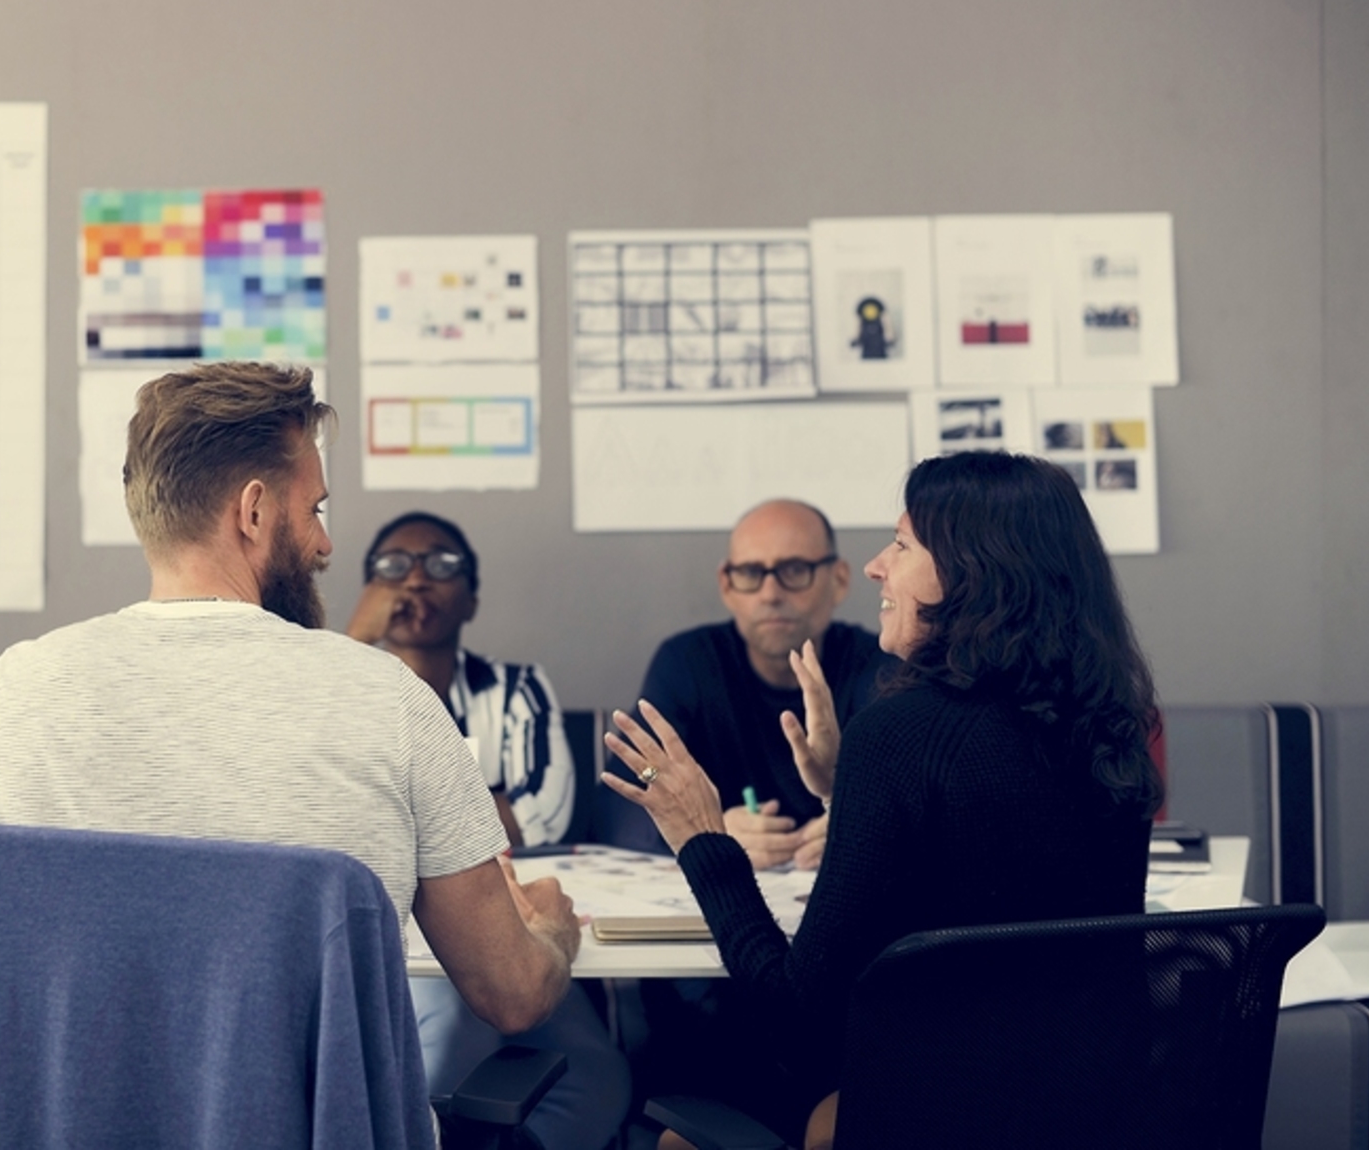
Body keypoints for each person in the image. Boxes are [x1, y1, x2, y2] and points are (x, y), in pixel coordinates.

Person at [0, 363, 580, 1054]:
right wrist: (551, 931)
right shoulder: (389, 701)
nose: (326, 544)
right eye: (314, 510)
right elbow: (513, 994)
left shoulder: (10, 696)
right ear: (253, 512)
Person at [603, 452, 1162, 1146]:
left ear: (970, 571)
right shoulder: (1106, 731)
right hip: (1083, 1116)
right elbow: (989, 871)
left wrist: (702, 838)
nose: (876, 567)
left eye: (901, 545)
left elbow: (795, 1022)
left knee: (682, 1138)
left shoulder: (899, 734)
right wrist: (851, 794)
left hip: (926, 1117)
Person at [349, 512, 629, 1150]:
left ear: (472, 597)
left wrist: (406, 812)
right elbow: (326, 813)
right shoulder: (342, 689)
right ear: (366, 593)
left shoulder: (516, 688)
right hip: (403, 943)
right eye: (393, 566)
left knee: (600, 1075)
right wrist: (355, 644)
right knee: (447, 1053)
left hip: (515, 920)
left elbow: (543, 817)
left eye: (442, 565)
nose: (416, 578)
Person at [605, 499, 892, 872]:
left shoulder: (882, 669)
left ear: (838, 580)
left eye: (794, 570)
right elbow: (619, 810)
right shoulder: (689, 663)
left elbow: (924, 806)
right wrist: (704, 833)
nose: (771, 594)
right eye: (751, 572)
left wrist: (864, 829)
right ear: (727, 584)